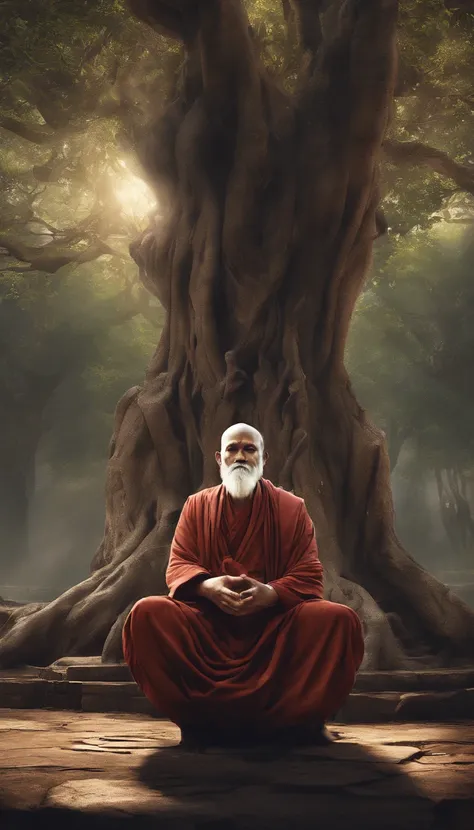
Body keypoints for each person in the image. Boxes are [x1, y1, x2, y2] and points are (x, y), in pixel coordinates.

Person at [122, 423, 364, 748]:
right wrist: (208, 587)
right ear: (219, 459)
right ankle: (198, 719)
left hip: (273, 628)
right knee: (147, 613)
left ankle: (291, 721)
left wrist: (271, 593)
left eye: (250, 449)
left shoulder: (292, 508)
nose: (240, 456)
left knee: (338, 621)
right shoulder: (196, 506)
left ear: (264, 459)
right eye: (233, 449)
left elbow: (309, 573)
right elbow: (179, 565)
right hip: (210, 627)